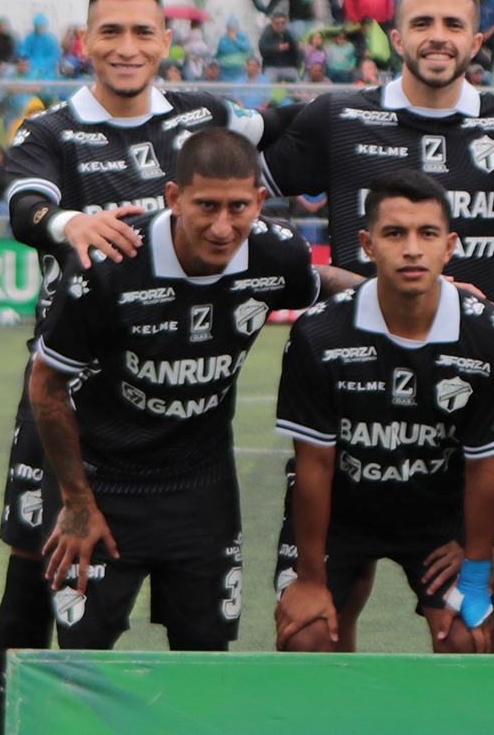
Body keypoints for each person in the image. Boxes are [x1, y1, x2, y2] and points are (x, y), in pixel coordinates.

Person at [0, 0, 300, 732]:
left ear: (166, 41)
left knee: (193, 633)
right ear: (84, 42)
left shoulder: (203, 116)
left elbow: (289, 130)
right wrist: (69, 226)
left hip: (176, 405)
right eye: (110, 33)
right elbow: (24, 206)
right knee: (32, 591)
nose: (126, 48)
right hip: (65, 397)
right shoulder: (51, 129)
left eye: (142, 32)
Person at [30, 128, 333, 659]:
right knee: (83, 655)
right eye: (206, 206)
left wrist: (422, 289)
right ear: (173, 198)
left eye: (238, 207)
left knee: (204, 656)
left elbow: (318, 281)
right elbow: (46, 383)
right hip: (104, 486)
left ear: (260, 201)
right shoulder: (110, 266)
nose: (222, 226)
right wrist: (77, 501)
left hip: (202, 488)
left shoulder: (274, 253)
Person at [272, 169, 494, 655]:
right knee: (304, 638)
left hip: (437, 511)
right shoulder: (319, 333)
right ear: (367, 244)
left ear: (449, 246)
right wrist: (309, 577)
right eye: (395, 233)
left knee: (466, 638)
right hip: (343, 513)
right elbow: (314, 463)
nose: (412, 248)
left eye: (426, 234)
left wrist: (476, 570)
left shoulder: (490, 333)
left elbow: (487, 465)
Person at [260, 0, 494, 300]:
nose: (438, 36)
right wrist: (305, 268)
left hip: (474, 347)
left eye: (453, 24)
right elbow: (237, 192)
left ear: (475, 43)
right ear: (397, 39)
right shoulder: (337, 117)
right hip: (354, 345)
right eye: (422, 23)